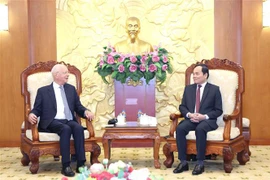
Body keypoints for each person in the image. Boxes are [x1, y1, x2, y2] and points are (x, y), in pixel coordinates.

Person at [28, 64, 94, 177]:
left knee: (78, 128)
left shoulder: (71, 89)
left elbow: (78, 107)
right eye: (65, 72)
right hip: (52, 121)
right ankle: (66, 166)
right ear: (56, 75)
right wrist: (32, 114)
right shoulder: (43, 91)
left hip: (68, 119)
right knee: (66, 129)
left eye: (67, 72)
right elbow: (37, 109)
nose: (67, 75)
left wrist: (86, 112)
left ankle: (81, 164)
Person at [173, 64, 223, 175]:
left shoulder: (214, 89)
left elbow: (218, 110)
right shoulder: (189, 89)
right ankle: (183, 162)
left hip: (207, 121)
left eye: (197, 74)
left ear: (205, 75)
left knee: (200, 129)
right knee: (180, 128)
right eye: (193, 74)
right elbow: (182, 106)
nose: (194, 76)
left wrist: (204, 116)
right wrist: (189, 114)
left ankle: (200, 163)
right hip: (191, 119)